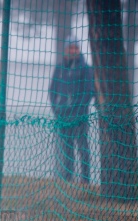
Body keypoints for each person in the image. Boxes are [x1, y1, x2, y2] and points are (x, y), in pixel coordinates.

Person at [49, 38, 95, 184]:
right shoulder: (60, 68)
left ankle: (85, 179)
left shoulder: (86, 69)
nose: (73, 50)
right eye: (70, 48)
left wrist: (78, 111)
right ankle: (68, 177)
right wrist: (56, 109)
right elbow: (52, 90)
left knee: (82, 147)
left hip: (79, 117)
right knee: (67, 148)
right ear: (65, 49)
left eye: (76, 48)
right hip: (63, 116)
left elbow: (88, 92)